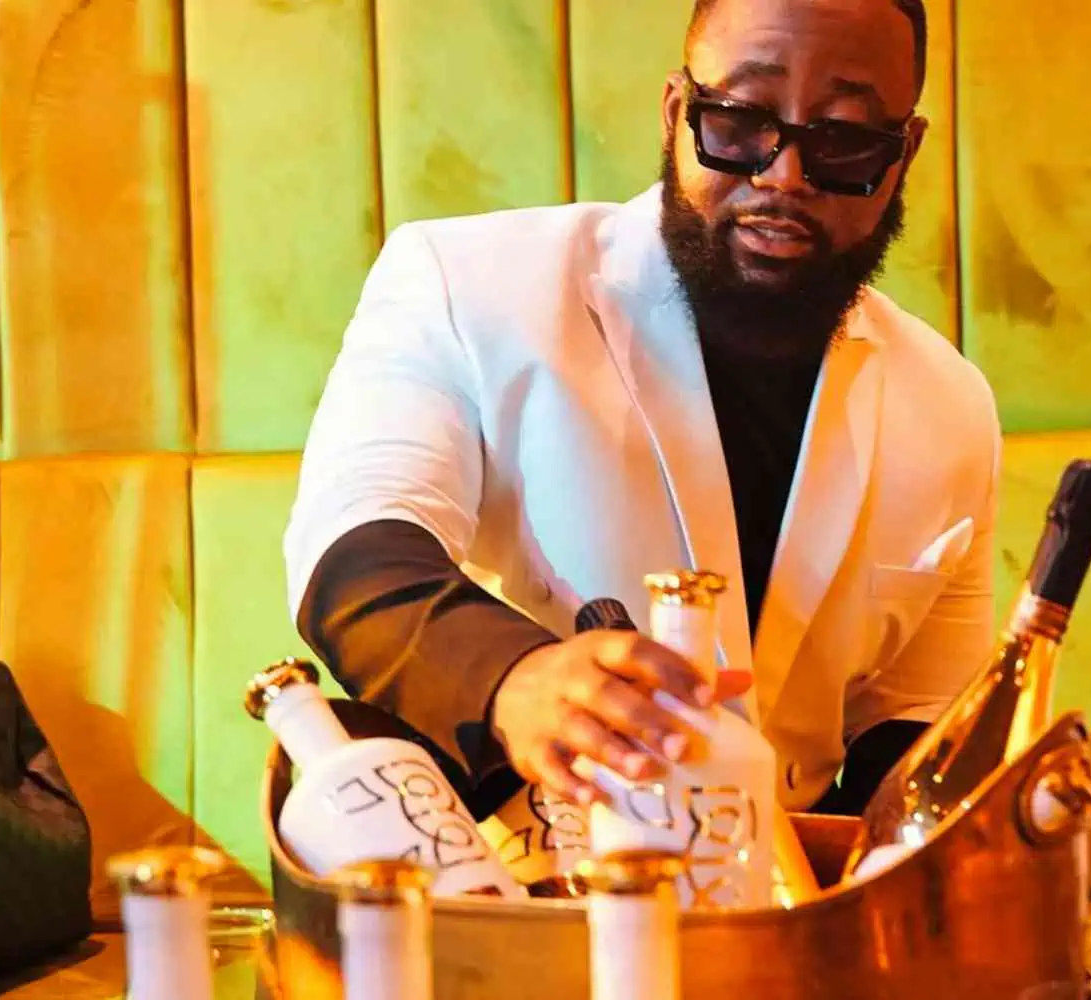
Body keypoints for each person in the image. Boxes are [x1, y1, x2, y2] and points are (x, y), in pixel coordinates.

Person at [282, 0, 1001, 820]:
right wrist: (514, 677)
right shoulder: (467, 281)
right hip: (524, 867)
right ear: (676, 112)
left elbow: (911, 717)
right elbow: (354, 549)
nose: (783, 176)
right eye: (741, 121)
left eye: (842, 137)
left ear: (904, 153)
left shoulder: (950, 401)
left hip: (799, 884)